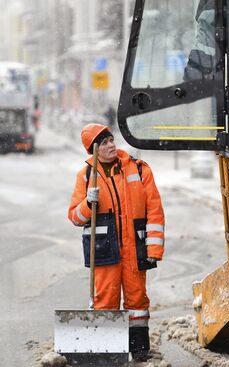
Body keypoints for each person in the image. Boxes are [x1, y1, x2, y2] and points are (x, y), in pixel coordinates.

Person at [68, 123, 165, 361]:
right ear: (93, 150)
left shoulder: (139, 170)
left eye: (111, 140)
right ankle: (106, 352)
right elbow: (74, 217)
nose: (111, 145)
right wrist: (88, 205)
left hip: (134, 249)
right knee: (105, 300)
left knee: (137, 300)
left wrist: (153, 247)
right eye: (104, 143)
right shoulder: (86, 177)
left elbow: (155, 210)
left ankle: (139, 348)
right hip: (103, 250)